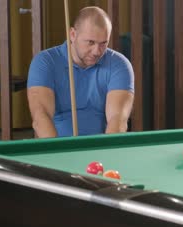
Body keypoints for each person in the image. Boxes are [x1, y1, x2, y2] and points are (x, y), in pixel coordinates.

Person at [27, 6, 134, 138]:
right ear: (72, 35)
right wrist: (59, 152)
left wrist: (106, 153)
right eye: (90, 42)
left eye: (103, 43)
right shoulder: (45, 62)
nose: (97, 51)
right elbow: (40, 118)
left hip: (101, 148)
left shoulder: (120, 65)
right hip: (58, 148)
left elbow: (118, 120)